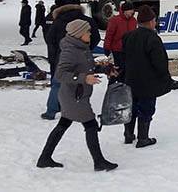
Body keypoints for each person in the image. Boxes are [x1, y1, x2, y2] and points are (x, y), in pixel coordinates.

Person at [36, 19, 118, 171]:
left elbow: (87, 67)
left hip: (75, 95)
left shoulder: (81, 47)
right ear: (79, 34)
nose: (90, 33)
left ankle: (44, 157)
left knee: (63, 123)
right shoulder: (70, 51)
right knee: (91, 125)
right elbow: (60, 74)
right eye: (87, 31)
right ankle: (99, 162)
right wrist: (83, 78)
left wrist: (105, 69)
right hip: (74, 97)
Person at [41, 0, 100, 120]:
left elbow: (49, 39)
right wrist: (86, 49)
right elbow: (96, 38)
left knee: (58, 83)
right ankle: (75, 107)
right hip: (82, 58)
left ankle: (51, 111)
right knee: (81, 82)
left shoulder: (58, 20)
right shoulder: (87, 20)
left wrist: (57, 51)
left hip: (60, 56)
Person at [122, 5, 173, 148]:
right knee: (146, 108)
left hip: (131, 78)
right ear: (151, 21)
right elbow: (160, 62)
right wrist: (165, 77)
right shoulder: (153, 38)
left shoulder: (128, 36)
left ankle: (128, 134)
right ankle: (143, 138)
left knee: (131, 107)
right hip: (148, 81)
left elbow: (123, 57)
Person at [104, 2, 137, 83]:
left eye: (133, 10)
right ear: (125, 11)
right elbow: (109, 35)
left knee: (128, 72)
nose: (132, 12)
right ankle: (113, 88)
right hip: (117, 51)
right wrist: (107, 47)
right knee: (116, 72)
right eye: (130, 10)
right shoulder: (115, 20)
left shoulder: (133, 20)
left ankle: (125, 88)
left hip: (129, 51)